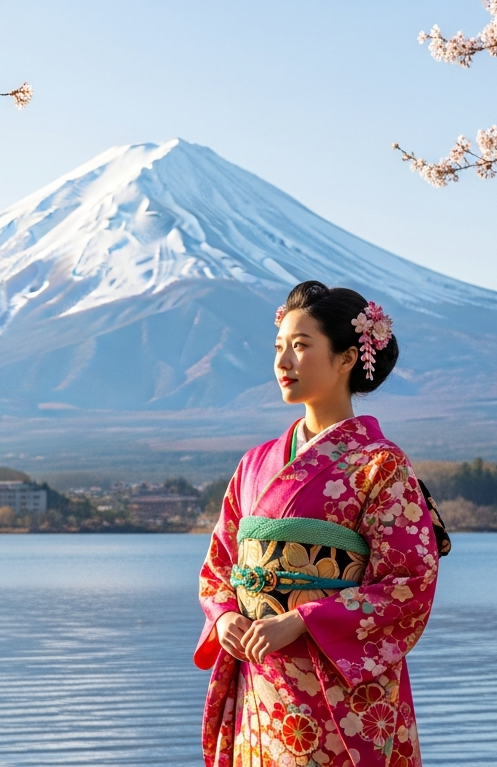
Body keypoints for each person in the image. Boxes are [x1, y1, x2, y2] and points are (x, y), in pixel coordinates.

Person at [195, 281, 439, 767]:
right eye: (278, 347)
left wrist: (301, 620)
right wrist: (224, 617)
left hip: (337, 690)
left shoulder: (380, 465)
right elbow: (220, 565)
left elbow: (409, 582)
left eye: (301, 346)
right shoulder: (254, 464)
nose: (283, 362)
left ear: (347, 358)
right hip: (260, 679)